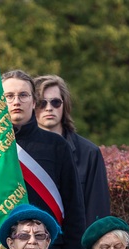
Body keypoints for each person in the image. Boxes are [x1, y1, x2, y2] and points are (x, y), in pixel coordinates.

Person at [2, 70, 87, 249]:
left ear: (33, 102)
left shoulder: (56, 145)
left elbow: (74, 210)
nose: (16, 101)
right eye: (9, 96)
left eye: (23, 95)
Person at [34, 74, 111, 225]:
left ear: (65, 105)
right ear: (32, 105)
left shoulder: (89, 153)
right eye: (42, 103)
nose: (49, 108)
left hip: (75, 244)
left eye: (55, 102)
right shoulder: (18, 153)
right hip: (31, 242)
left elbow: (98, 211)